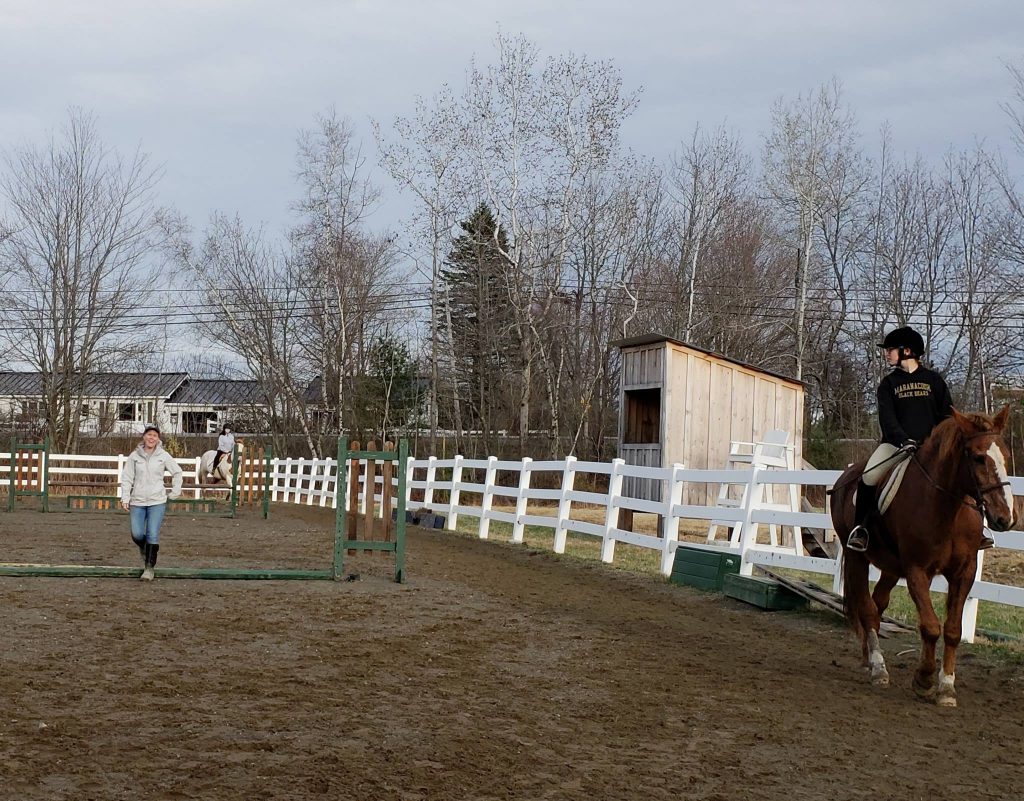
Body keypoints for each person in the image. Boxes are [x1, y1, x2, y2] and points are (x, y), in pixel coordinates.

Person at [847, 326, 992, 552]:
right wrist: (903, 440)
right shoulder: (888, 384)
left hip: (933, 449)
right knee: (869, 476)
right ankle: (861, 529)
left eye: (891, 349)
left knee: (966, 474)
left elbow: (947, 416)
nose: (887, 353)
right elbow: (887, 419)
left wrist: (941, 443)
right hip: (896, 446)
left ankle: (978, 530)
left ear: (906, 351)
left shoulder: (934, 380)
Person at [120, 424, 183, 581]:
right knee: (136, 533)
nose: (151, 438)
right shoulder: (134, 457)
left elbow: (177, 472)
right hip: (138, 500)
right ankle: (144, 547)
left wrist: (175, 490)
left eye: (155, 436)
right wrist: (125, 497)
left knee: (152, 534)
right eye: (149, 435)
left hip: (157, 500)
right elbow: (127, 478)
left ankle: (149, 568)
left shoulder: (163, 455)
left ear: (158, 439)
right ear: (144, 437)